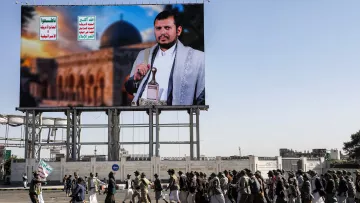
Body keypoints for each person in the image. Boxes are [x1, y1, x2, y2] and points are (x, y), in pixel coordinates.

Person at [125, 10, 205, 106]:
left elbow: (202, 97)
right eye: (158, 28)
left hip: (173, 115)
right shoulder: (144, 55)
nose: (162, 32)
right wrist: (136, 79)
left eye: (167, 28)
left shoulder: (196, 58)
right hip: (144, 114)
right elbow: (130, 89)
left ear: (178, 31)